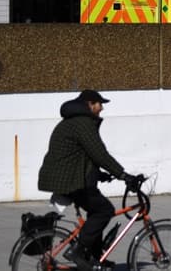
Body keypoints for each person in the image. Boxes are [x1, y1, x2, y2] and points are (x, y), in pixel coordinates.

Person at [38, 90, 141, 270]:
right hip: (69, 181)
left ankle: (94, 258)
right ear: (90, 104)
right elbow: (99, 154)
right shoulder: (83, 123)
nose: (101, 108)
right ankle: (78, 251)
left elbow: (82, 155)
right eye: (99, 104)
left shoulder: (74, 121)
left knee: (96, 213)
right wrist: (123, 175)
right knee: (104, 210)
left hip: (69, 177)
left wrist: (100, 175)